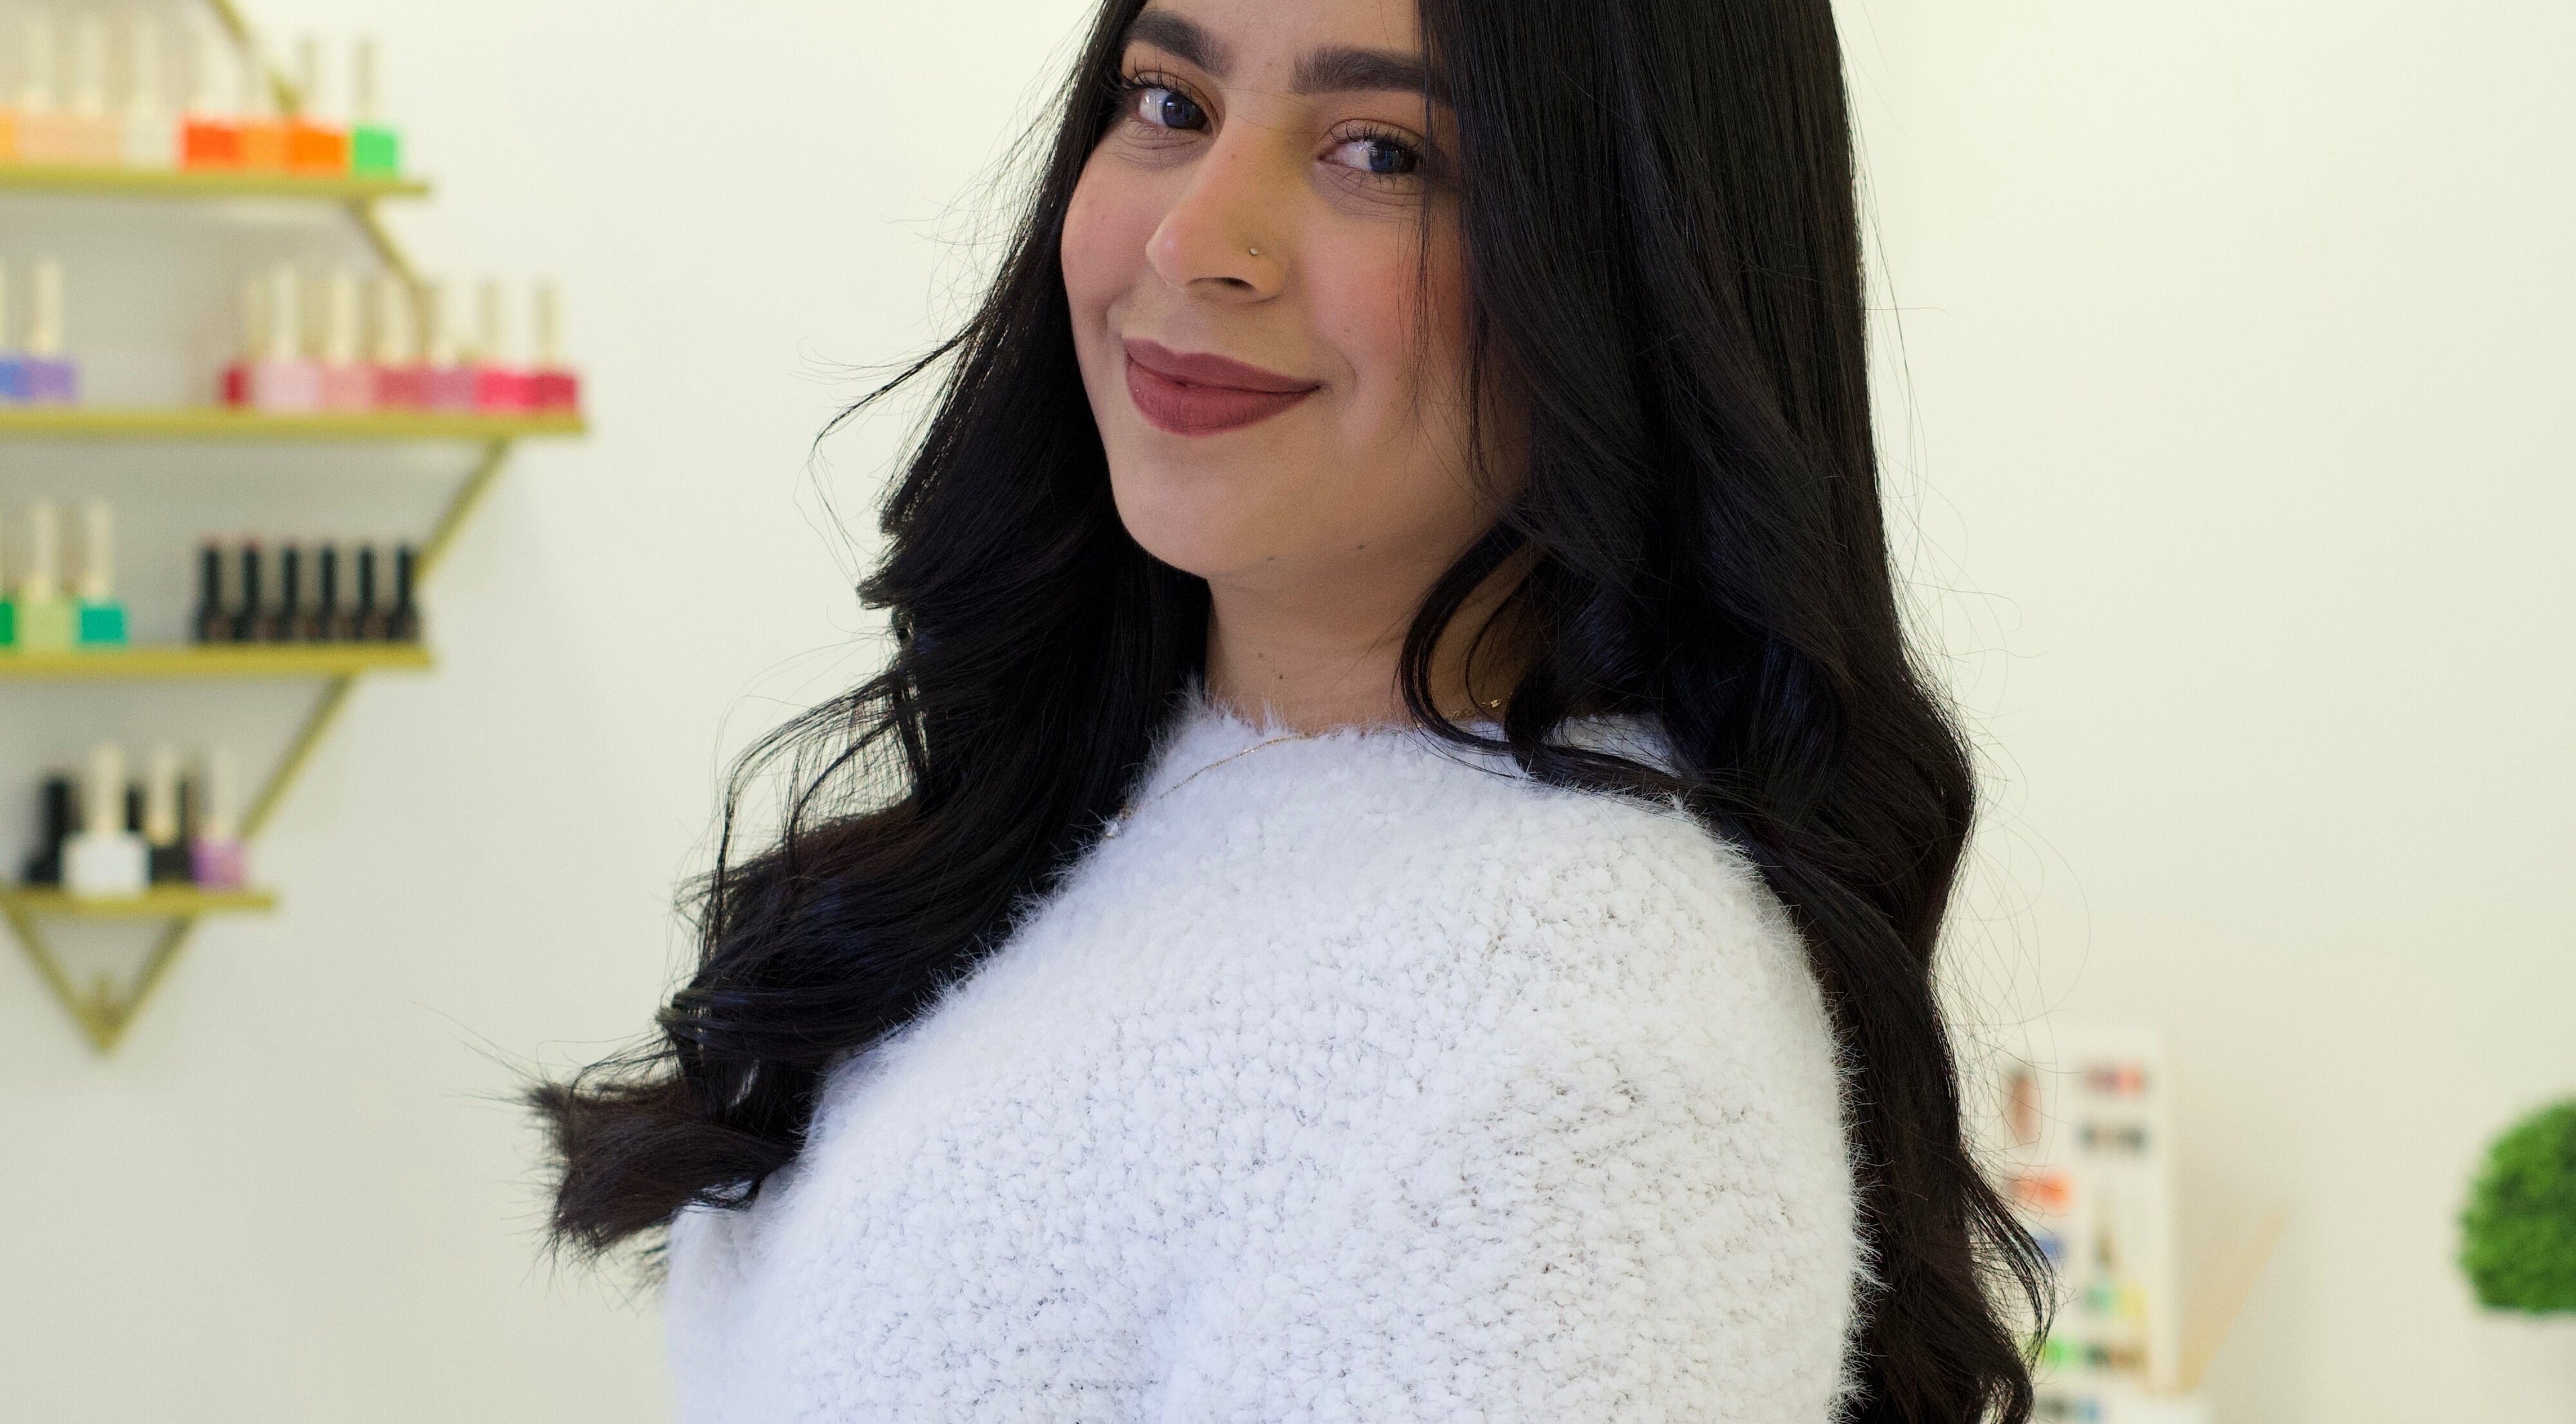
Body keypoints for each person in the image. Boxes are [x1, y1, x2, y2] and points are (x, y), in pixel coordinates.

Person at [533, 0, 2048, 1418]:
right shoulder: (1105, 809)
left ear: (1634, 258)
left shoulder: (1585, 1084)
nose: (1198, 238)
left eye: (1381, 153)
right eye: (1167, 101)